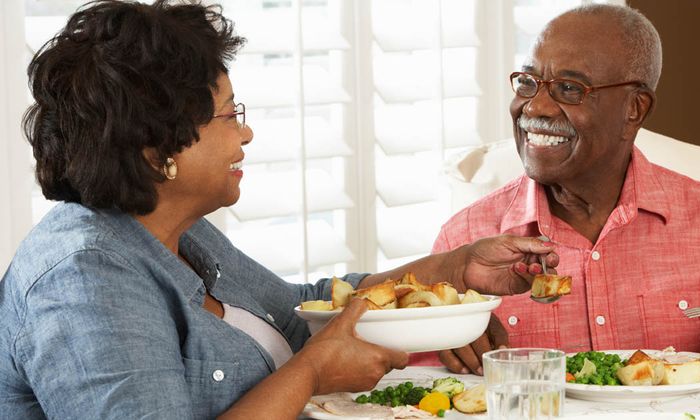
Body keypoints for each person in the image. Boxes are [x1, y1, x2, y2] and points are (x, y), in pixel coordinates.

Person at [0, 1, 559, 418]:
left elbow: (298, 312)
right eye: (226, 115)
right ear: (157, 150)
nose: (245, 131)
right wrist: (312, 372)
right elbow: (308, 351)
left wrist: (455, 269)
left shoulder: (180, 235)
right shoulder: (82, 280)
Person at [410, 3, 700, 375]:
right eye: (528, 83)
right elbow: (420, 395)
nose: (535, 108)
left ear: (635, 109)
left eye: (568, 88)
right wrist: (454, 355)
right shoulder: (463, 240)